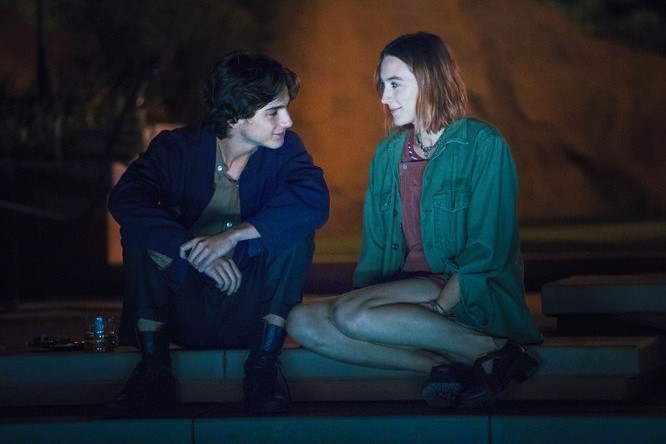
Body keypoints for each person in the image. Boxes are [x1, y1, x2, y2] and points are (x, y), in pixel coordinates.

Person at [286, 32, 542, 409]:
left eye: (395, 84)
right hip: (406, 288)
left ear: (430, 80)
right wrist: (379, 314)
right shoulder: (389, 153)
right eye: (382, 86)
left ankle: (493, 350)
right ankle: (439, 367)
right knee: (301, 321)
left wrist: (437, 311)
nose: (384, 98)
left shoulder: (483, 144)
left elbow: (489, 248)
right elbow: (376, 249)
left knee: (350, 315)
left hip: (463, 291)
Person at [106, 50, 329, 416]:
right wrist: (191, 249)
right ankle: (153, 370)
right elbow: (126, 199)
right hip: (185, 305)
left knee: (295, 231)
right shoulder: (176, 149)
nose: (287, 121)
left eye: (285, 109)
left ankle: (263, 367)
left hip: (249, 308)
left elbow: (314, 201)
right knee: (142, 232)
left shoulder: (285, 150)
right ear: (236, 116)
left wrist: (233, 236)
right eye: (274, 112)